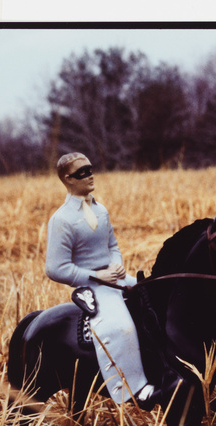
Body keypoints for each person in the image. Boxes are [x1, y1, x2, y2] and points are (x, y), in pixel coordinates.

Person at [45, 152, 157, 406]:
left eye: (90, 169)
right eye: (81, 172)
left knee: (153, 300)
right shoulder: (61, 219)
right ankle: (135, 388)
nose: (89, 175)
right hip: (92, 286)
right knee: (121, 326)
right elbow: (55, 267)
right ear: (67, 179)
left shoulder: (101, 210)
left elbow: (112, 245)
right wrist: (95, 275)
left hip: (115, 277)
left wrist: (116, 264)